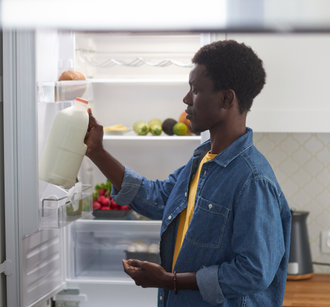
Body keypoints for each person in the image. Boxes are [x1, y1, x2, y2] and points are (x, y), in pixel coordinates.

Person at [84, 40, 291, 307]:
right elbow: (157, 198)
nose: (186, 100)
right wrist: (97, 152)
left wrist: (169, 280)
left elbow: (253, 271)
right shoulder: (202, 160)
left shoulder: (252, 180)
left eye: (195, 90)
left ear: (226, 98)